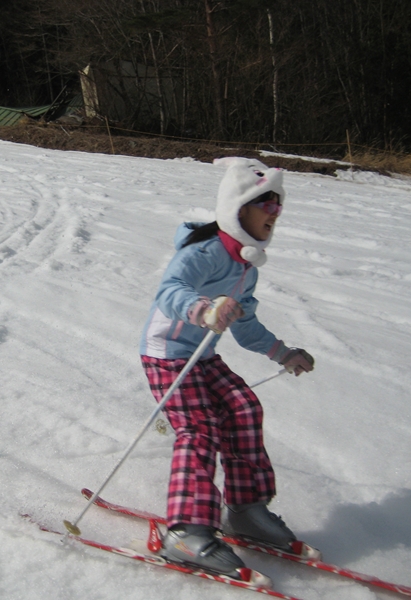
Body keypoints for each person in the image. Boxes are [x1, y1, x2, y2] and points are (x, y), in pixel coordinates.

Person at [139, 157, 314, 577]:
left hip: (202, 355)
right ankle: (187, 531)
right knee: (199, 428)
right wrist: (203, 309)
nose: (275, 213)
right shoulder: (204, 252)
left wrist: (282, 353)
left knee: (243, 408)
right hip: (166, 353)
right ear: (238, 208)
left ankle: (246, 509)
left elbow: (246, 326)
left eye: (278, 205)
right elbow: (169, 290)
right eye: (266, 204)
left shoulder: (246, 267)